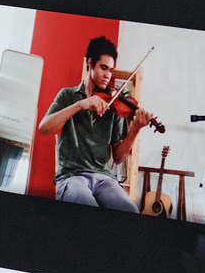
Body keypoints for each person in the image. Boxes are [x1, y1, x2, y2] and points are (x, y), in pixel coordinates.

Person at [35, 35, 156, 212]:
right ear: (90, 64)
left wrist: (135, 129)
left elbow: (118, 157)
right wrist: (80, 104)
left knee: (130, 211)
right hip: (72, 176)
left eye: (111, 70)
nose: (108, 75)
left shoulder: (114, 104)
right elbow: (43, 128)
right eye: (103, 68)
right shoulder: (68, 95)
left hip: (104, 178)